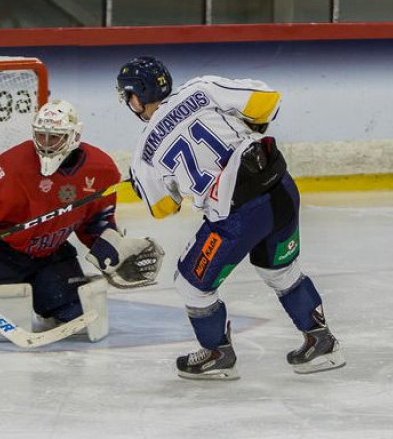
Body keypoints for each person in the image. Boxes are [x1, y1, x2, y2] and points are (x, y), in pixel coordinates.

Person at [116, 56, 345, 379]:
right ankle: (323, 343)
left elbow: (164, 208)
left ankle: (217, 354)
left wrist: (144, 184)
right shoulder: (201, 88)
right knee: (280, 271)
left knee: (190, 285)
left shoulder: (144, 155)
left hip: (239, 215)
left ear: (137, 97)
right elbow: (268, 102)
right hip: (281, 189)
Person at [0, 99, 163, 326]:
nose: (45, 143)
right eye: (41, 135)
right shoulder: (9, 168)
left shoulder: (101, 169)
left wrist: (114, 248)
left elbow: (96, 223)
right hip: (0, 253)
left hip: (52, 254)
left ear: (74, 136)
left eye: (54, 137)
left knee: (77, 315)